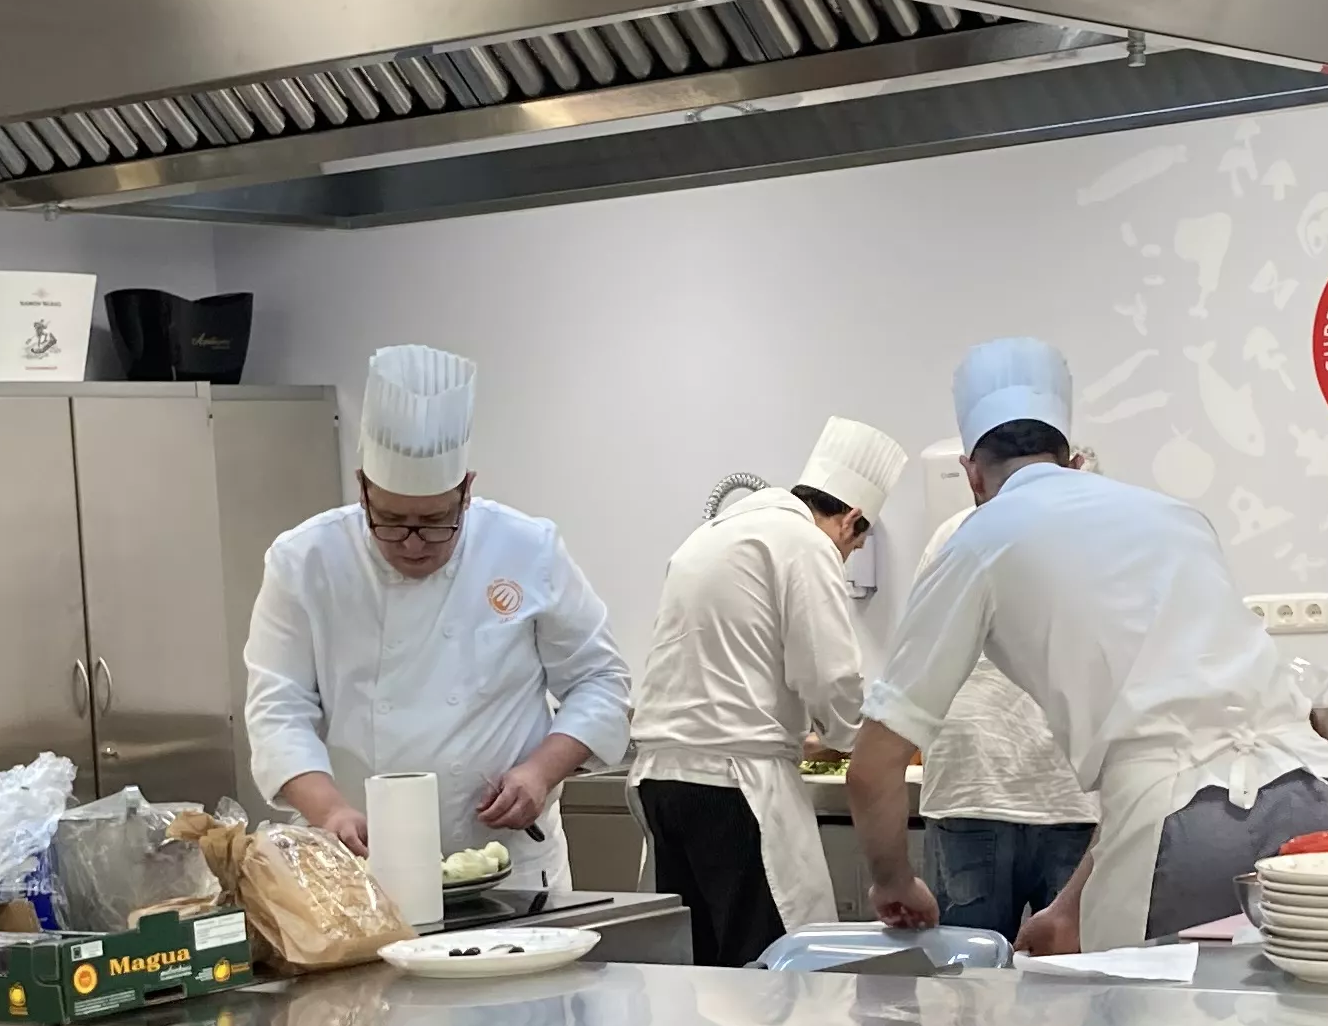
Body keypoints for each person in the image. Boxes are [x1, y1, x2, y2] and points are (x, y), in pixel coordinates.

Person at [847, 336, 1328, 953]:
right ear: (1073, 461)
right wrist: (1069, 911)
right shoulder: (1178, 517)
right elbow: (1180, 750)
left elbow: (873, 767)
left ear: (971, 475)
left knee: (1144, 1017)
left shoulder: (977, 541)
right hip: (1327, 805)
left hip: (1186, 840)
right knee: (1327, 1013)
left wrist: (894, 882)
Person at [242, 343, 631, 900]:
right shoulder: (305, 561)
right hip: (360, 866)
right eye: (390, 520)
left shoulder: (527, 549)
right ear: (362, 488)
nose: (413, 543)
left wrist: (540, 773)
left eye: (435, 521)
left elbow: (600, 680)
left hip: (511, 864)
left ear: (466, 490)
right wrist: (329, 811)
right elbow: (278, 709)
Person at [627, 416, 908, 966]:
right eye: (854, 546)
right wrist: (857, 738)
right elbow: (831, 675)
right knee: (772, 972)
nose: (846, 557)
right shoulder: (805, 543)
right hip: (733, 788)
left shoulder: (712, 535)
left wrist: (810, 736)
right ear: (852, 520)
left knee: (699, 972)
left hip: (662, 781)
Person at [911, 455, 1097, 941]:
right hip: (1072, 790)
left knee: (967, 973)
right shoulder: (1099, 536)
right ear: (1075, 466)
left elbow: (917, 658)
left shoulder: (956, 534)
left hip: (971, 786)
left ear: (973, 473)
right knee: (1078, 975)